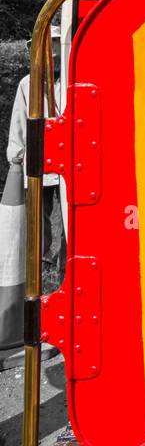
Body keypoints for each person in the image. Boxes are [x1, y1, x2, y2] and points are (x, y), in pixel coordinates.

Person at [6, 25, 66, 294]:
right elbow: (19, 121)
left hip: (67, 159)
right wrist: (16, 156)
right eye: (46, 44)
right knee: (38, 218)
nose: (51, 50)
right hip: (38, 159)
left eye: (55, 43)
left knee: (67, 216)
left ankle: (66, 266)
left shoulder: (71, 76)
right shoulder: (27, 83)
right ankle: (40, 265)